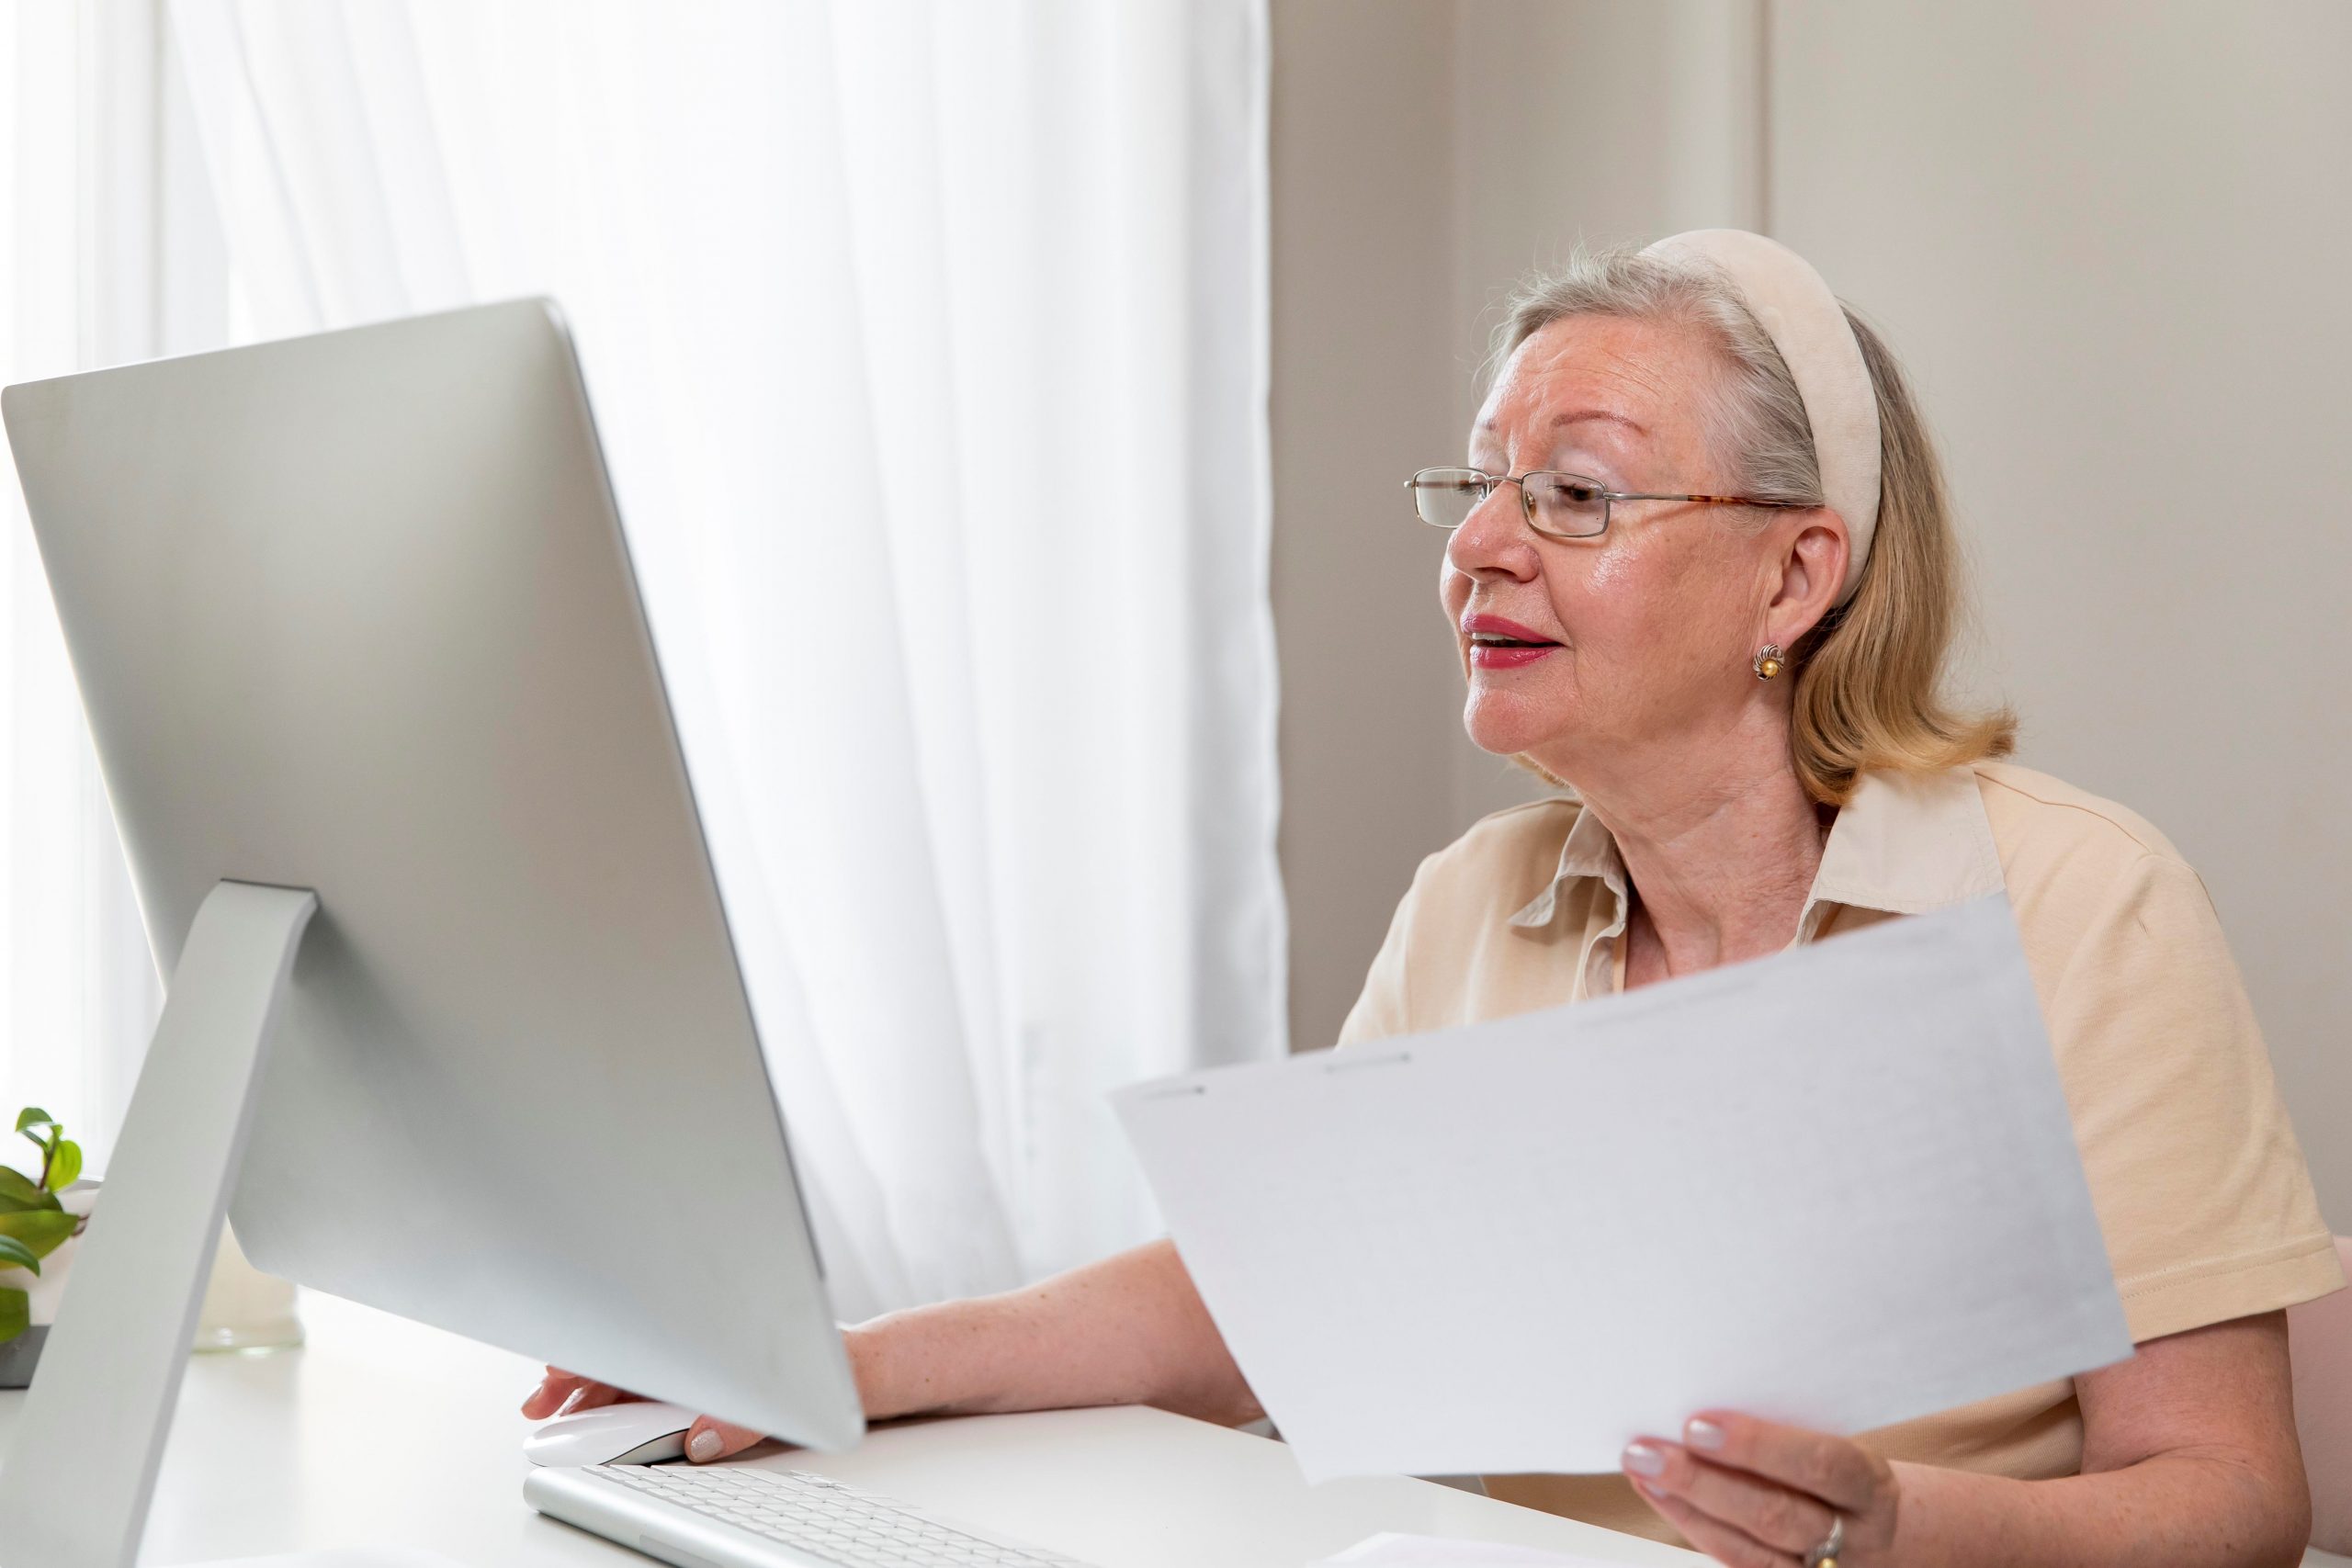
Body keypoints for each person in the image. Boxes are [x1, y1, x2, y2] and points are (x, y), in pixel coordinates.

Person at [526, 231, 2343, 1567]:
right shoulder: (1470, 899)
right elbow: (1259, 1301)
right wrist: (830, 1364)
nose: (1476, 542)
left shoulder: (2081, 902)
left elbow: (2235, 1499)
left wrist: (1890, 1527)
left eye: (1571, 494)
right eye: (1474, 487)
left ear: (1795, 574)